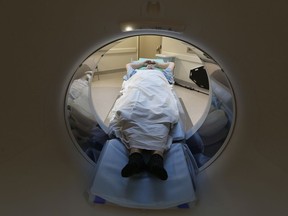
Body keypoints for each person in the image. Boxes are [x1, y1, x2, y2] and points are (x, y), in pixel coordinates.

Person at [108, 60, 179, 180]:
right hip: (138, 88)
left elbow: (171, 64)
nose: (149, 66)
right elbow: (128, 65)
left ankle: (155, 157)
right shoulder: (135, 72)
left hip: (158, 89)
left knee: (164, 111)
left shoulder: (163, 73)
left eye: (151, 66)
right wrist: (143, 64)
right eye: (147, 66)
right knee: (130, 111)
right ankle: (136, 156)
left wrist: (157, 64)